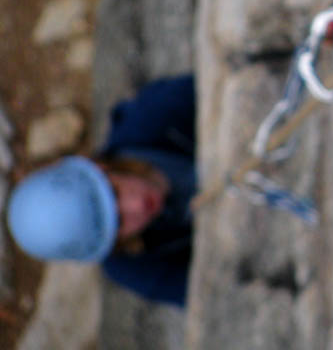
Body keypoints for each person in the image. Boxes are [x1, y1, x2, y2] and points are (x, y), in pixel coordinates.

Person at [6, 75, 196, 307]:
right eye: (120, 222)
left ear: (101, 167)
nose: (136, 205)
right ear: (114, 243)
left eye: (116, 192)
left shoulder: (151, 114)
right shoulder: (135, 267)